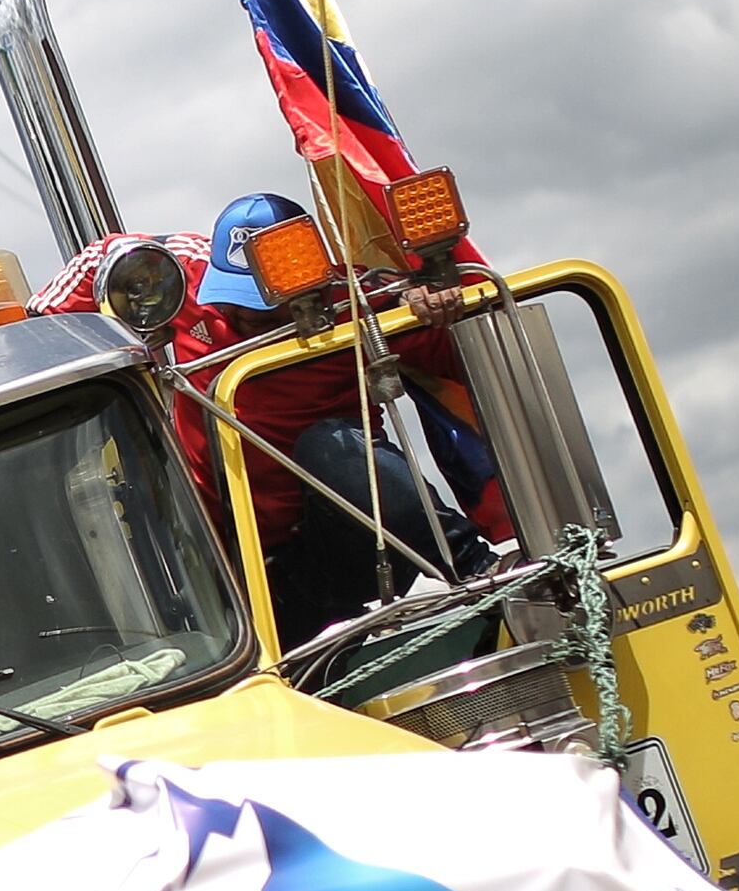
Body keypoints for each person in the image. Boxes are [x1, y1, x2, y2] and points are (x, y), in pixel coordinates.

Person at [51, 195, 472, 638]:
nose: (241, 314)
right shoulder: (174, 274)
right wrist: (25, 329)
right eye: (231, 297)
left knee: (331, 443)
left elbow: (463, 365)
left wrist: (438, 303)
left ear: (310, 286)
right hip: (227, 559)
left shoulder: (359, 302)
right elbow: (103, 259)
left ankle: (474, 568)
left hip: (345, 539)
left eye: (264, 305)